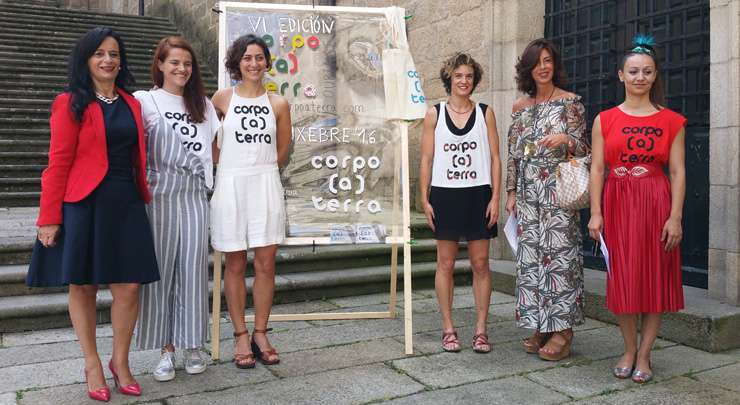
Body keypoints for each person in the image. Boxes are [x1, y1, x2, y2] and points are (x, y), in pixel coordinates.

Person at [25, 27, 160, 401]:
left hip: (125, 200)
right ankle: (92, 364)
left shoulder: (132, 103)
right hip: (83, 203)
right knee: (82, 285)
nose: (108, 60)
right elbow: (57, 163)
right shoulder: (71, 102)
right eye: (99, 53)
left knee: (129, 286)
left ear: (121, 61)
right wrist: (49, 217)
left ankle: (121, 361)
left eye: (114, 54)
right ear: (86, 59)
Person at [588, 35, 686, 383]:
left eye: (646, 71)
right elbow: (597, 168)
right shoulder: (605, 120)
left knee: (655, 278)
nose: (639, 77)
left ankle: (645, 355)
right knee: (624, 279)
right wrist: (596, 212)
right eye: (633, 71)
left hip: (656, 202)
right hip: (617, 203)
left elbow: (677, 171)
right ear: (621, 75)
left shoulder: (672, 121)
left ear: (655, 75)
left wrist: (675, 217)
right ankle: (628, 349)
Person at [133, 38, 220, 381]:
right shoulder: (145, 100)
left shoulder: (204, 104)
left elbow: (213, 150)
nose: (182, 69)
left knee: (193, 270)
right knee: (160, 275)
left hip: (195, 195)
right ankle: (165, 349)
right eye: (174, 63)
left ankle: (192, 345)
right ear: (159, 64)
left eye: (187, 63)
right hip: (159, 194)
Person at [209, 34, 291, 368]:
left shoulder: (279, 103)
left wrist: (263, 170)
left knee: (266, 264)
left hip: (265, 185)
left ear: (267, 62)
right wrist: (228, 164)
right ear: (236, 63)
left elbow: (282, 149)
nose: (254, 63)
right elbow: (210, 143)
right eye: (247, 58)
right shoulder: (222, 98)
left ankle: (260, 331)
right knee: (235, 263)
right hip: (231, 186)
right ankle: (240, 334)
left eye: (259, 57)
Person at [505, 38, 588, 361]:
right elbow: (513, 155)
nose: (543, 67)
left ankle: (563, 330)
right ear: (528, 68)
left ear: (555, 65)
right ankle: (542, 322)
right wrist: (511, 192)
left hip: (557, 193)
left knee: (559, 260)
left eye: (548, 60)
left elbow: (585, 150)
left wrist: (568, 138)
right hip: (527, 195)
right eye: (537, 62)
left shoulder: (571, 103)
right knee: (531, 261)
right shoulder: (518, 107)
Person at [420, 53, 501, 353]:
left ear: (474, 80)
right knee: (446, 263)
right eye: (458, 76)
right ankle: (448, 328)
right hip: (446, 192)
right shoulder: (434, 114)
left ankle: (481, 329)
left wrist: (495, 196)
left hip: (477, 193)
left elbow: (495, 158)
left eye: (468, 76)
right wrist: (424, 198)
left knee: (480, 264)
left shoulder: (485, 113)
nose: (463, 81)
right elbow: (427, 160)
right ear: (449, 79)